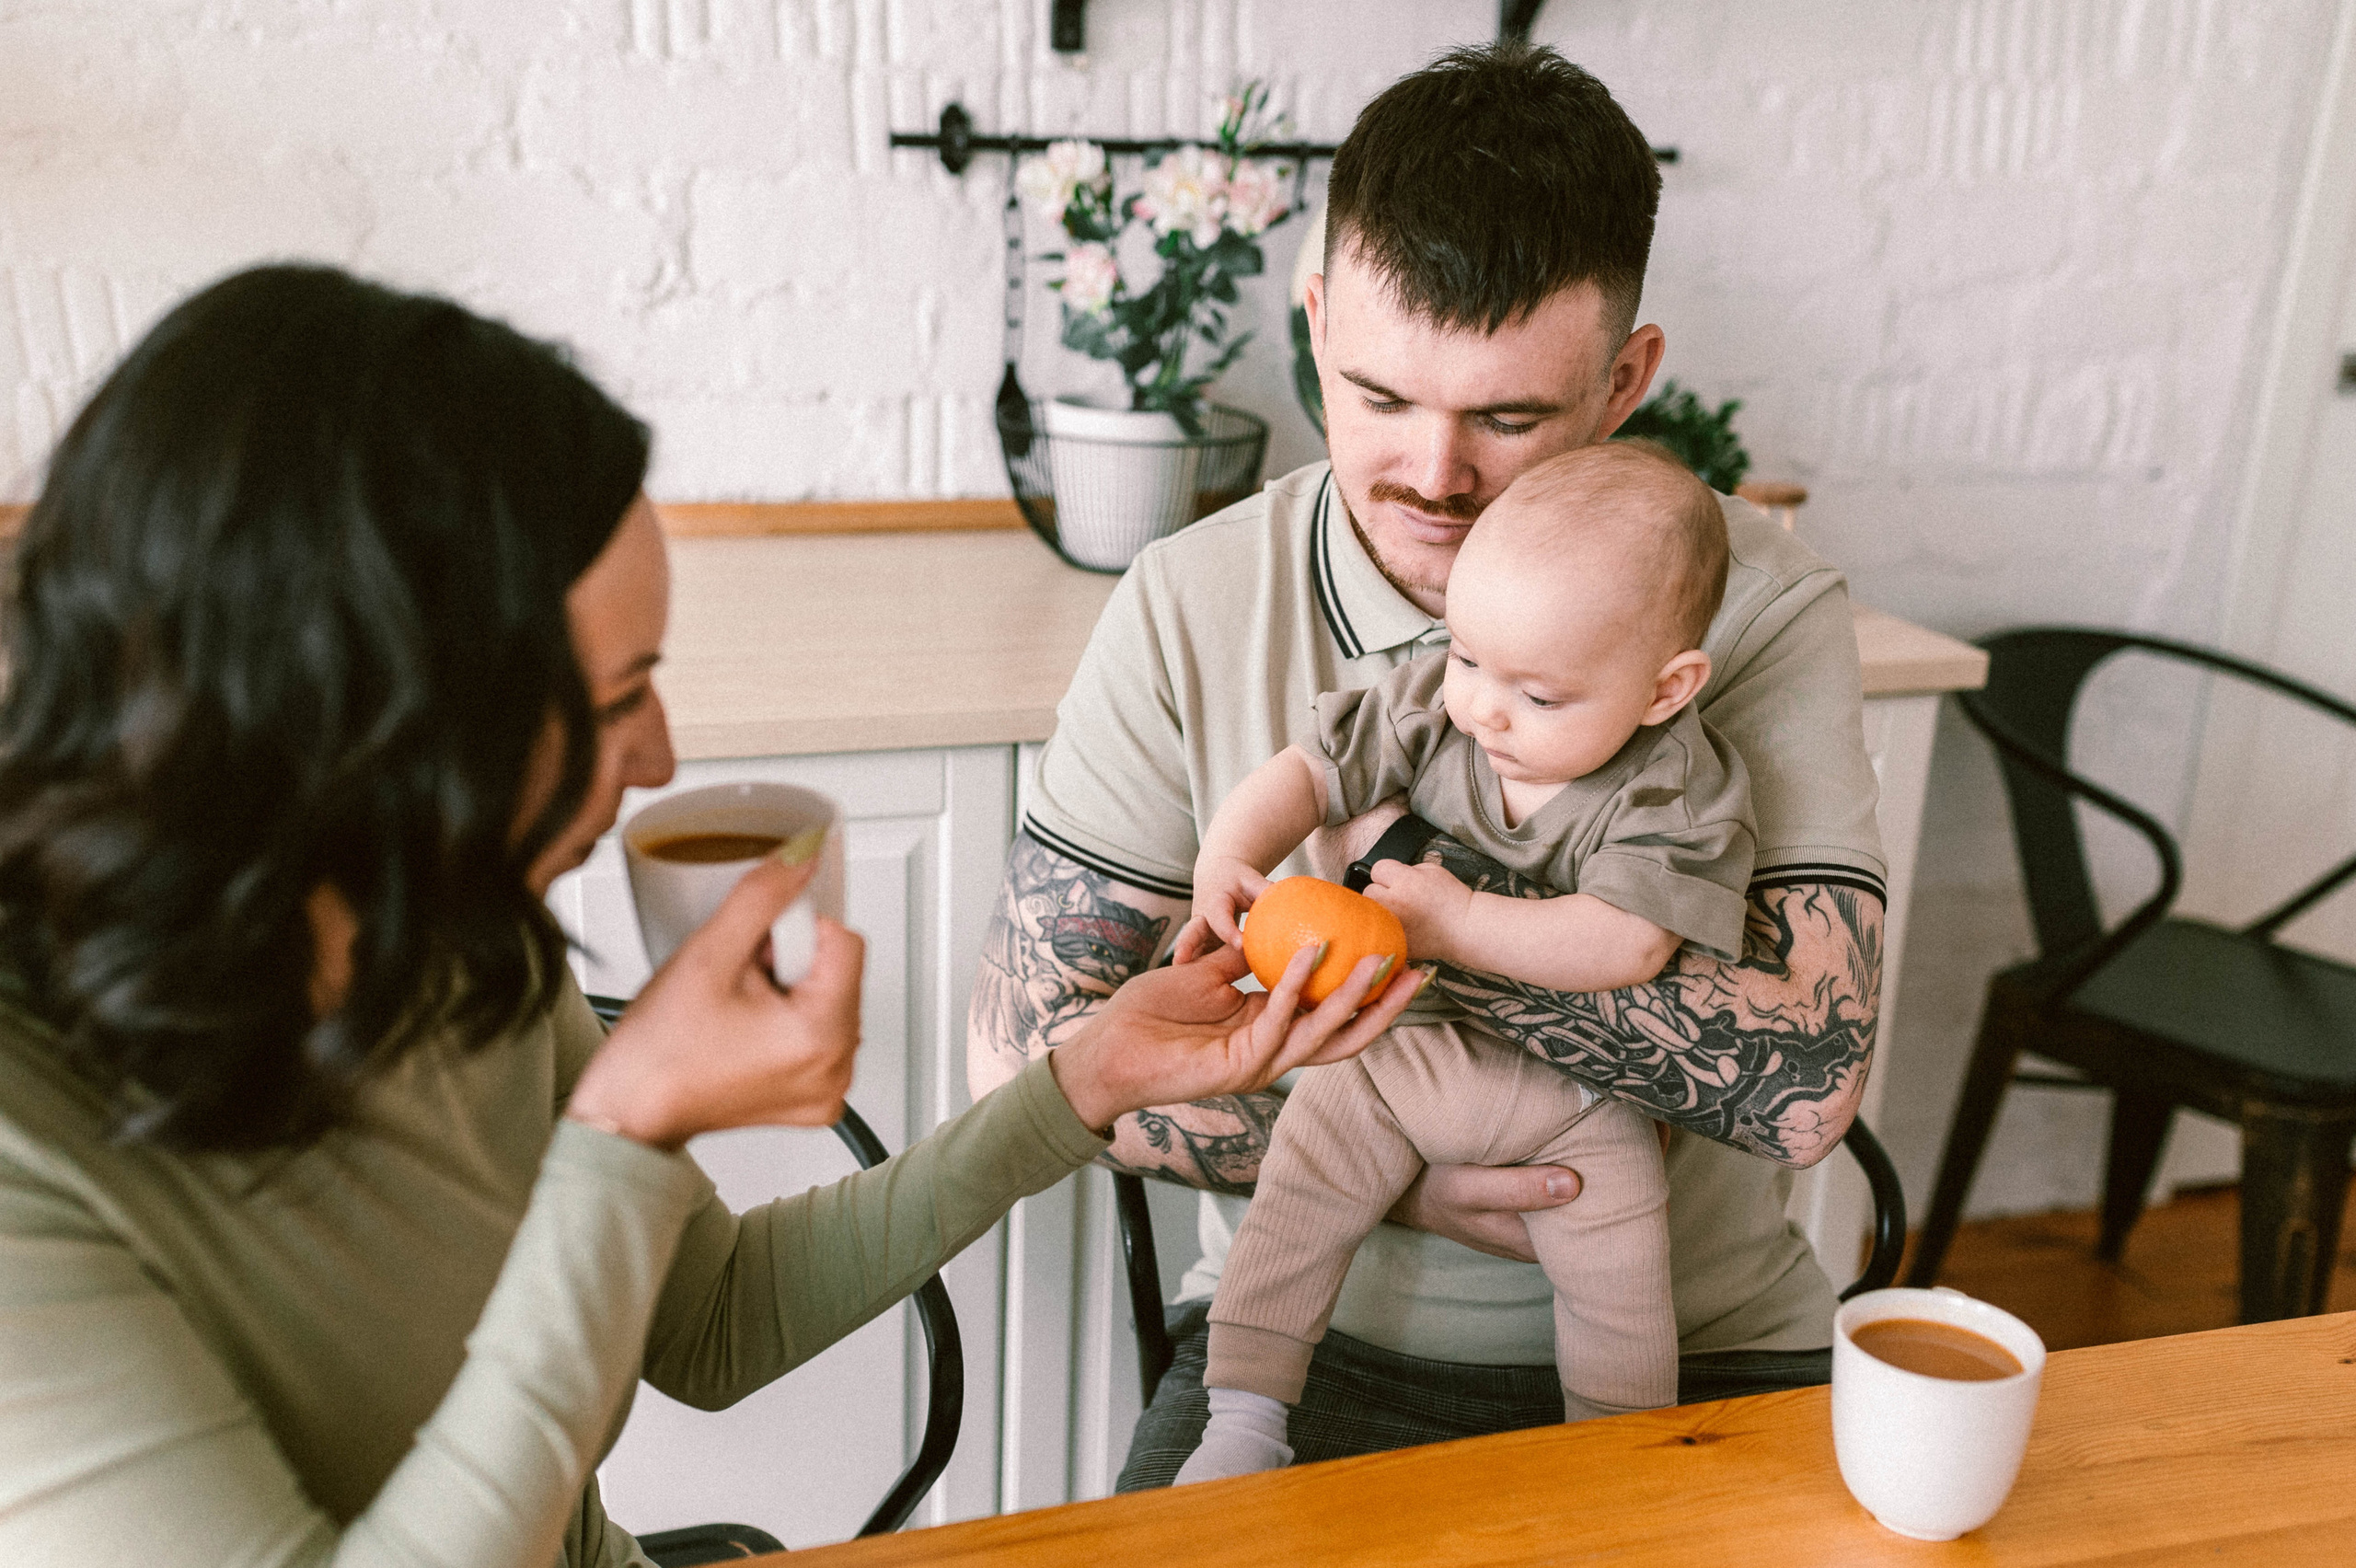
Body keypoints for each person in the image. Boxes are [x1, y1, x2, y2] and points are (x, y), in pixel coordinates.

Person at [0, 264, 1424, 1567]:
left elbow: (713, 1320)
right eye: (615, 702)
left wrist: (1077, 1084)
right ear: (367, 725)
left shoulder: (449, 932)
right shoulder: (28, 1164)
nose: (662, 760)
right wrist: (623, 1139)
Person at [966, 40, 1887, 1490]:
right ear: (1317, 321)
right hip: (1307, 1345)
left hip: (1708, 1349)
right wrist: (1396, 1162)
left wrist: (1383, 932)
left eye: (1509, 418)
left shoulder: (1752, 613)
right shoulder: (1191, 600)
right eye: (1380, 396)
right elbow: (1023, 1058)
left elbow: (1803, 1085)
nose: (1434, 473)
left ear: (1627, 378)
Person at [1172, 442, 1748, 1484]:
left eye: (1538, 695)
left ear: (1665, 689)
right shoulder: (1438, 703)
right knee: (1293, 1213)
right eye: (1469, 658)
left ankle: (1618, 1470)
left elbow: (1629, 940)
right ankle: (1245, 1417)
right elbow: (1308, 772)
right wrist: (1228, 854)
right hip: (1399, 1058)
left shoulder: (1674, 788)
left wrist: (1452, 922)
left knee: (1622, 1300)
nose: (1482, 708)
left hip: (1576, 1106)